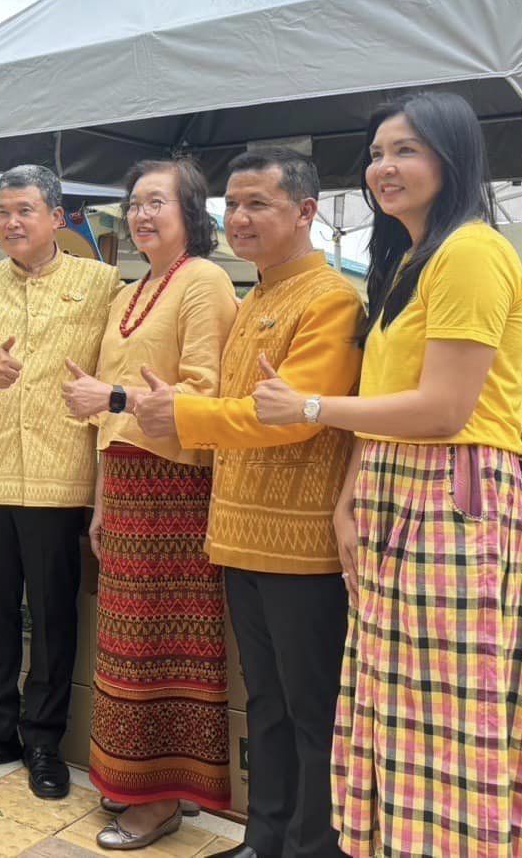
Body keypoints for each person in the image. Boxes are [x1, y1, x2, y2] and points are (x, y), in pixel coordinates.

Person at [252, 92, 522, 856]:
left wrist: (313, 407)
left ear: (450, 159)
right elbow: (386, 403)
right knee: (401, 717)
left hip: (454, 502)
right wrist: (351, 497)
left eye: (405, 151)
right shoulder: (410, 260)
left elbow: (445, 409)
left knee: (452, 729)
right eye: (377, 152)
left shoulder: (473, 253)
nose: (383, 167)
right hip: (398, 495)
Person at [133, 148, 365, 858]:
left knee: (311, 710)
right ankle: (265, 838)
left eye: (257, 203)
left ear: (305, 211)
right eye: (230, 205)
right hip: (237, 534)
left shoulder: (330, 300)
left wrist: (187, 415)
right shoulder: (255, 296)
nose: (238, 218)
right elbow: (236, 404)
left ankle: (309, 846)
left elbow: (288, 416)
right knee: (263, 702)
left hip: (302, 549)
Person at [60, 157, 237, 849]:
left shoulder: (205, 282)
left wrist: (113, 399)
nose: (140, 215)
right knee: (127, 640)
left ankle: (160, 794)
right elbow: (110, 408)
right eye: (134, 203)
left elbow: (200, 390)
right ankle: (151, 777)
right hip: (129, 485)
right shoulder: (134, 288)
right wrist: (103, 499)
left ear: (190, 209)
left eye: (156, 201)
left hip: (177, 488)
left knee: (164, 642)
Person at [0, 165, 119, 799]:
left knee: (54, 616)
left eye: (26, 210)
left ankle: (43, 740)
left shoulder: (101, 283)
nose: (12, 222)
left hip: (60, 478)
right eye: (2, 211)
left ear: (57, 218)